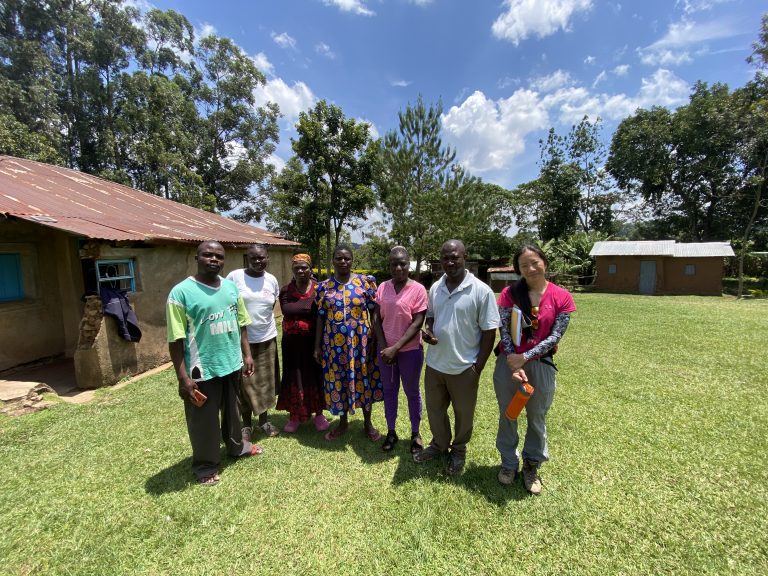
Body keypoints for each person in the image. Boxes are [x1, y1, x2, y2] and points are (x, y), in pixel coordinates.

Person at [166, 241, 262, 486]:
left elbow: (241, 324)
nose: (213, 259)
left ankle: (236, 447)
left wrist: (247, 355)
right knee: (203, 421)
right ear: (197, 258)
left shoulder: (231, 288)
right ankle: (205, 466)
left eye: (219, 256)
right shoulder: (181, 293)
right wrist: (183, 377)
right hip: (202, 368)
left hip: (231, 363)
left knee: (233, 413)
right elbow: (176, 340)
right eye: (207, 255)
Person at [494, 244, 576, 495]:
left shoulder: (562, 297)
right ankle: (509, 463)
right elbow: (504, 328)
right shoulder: (510, 293)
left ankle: (531, 465)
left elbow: (555, 337)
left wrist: (525, 357)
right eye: (523, 265)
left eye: (534, 262)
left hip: (541, 365)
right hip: (509, 363)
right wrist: (512, 359)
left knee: (536, 417)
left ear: (544, 262)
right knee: (509, 413)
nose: (530, 268)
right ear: (518, 270)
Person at [414, 239, 500, 476]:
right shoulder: (436, 287)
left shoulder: (481, 291)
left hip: (464, 367)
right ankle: (439, 445)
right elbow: (430, 317)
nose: (450, 262)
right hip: (435, 365)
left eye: (455, 257)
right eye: (445, 257)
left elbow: (489, 331)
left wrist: (477, 368)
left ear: (465, 258)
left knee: (464, 414)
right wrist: (429, 331)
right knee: (435, 410)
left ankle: (459, 449)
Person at [313, 244, 384, 441]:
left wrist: (375, 337)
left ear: (352, 261)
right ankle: (343, 423)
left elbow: (374, 311)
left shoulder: (365, 283)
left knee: (364, 378)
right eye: (339, 258)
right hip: (333, 345)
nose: (343, 261)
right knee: (339, 380)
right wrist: (317, 346)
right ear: (333, 261)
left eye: (347, 258)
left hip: (361, 342)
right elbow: (320, 316)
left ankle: (367, 423)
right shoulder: (323, 287)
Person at [372, 246, 428, 453]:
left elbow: (417, 322)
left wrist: (396, 348)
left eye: (402, 263)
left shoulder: (418, 290)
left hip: (410, 351)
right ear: (389, 266)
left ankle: (415, 433)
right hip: (385, 351)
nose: (398, 267)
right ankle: (391, 431)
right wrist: (385, 347)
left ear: (409, 264)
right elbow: (376, 318)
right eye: (394, 264)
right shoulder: (383, 287)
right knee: (390, 392)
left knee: (412, 392)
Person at [226, 244, 281, 440]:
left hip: (267, 339)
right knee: (245, 383)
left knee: (266, 383)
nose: (258, 261)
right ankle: (246, 425)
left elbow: (271, 306)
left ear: (268, 257)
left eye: (262, 258)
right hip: (241, 340)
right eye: (253, 258)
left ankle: (264, 421)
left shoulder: (271, 280)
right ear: (247, 258)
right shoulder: (235, 277)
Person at [275, 254, 330, 433]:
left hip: (313, 344)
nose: (300, 270)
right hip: (291, 345)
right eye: (297, 267)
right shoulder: (285, 291)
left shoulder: (318, 290)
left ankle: (319, 414)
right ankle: (295, 416)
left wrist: (318, 346)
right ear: (293, 269)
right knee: (293, 377)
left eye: (304, 267)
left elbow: (323, 316)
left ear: (310, 268)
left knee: (314, 376)